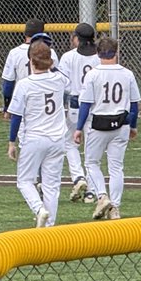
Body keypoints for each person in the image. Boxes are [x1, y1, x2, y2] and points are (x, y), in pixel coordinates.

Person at [74, 36, 141, 221]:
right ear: (116, 52)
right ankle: (115, 207)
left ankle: (102, 196)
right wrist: (133, 125)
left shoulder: (93, 74)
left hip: (98, 123)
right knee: (116, 167)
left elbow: (85, 105)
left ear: (98, 53)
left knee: (91, 163)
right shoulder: (127, 74)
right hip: (121, 124)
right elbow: (134, 105)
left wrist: (78, 128)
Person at [6, 41, 68, 228]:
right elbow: (65, 81)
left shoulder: (25, 84)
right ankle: (49, 226)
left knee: (24, 181)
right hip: (57, 139)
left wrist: (11, 141)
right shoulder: (59, 79)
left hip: (35, 138)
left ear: (31, 61)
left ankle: (39, 209)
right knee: (52, 186)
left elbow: (16, 116)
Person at [58, 23, 100, 203]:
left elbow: (64, 85)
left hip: (76, 103)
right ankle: (91, 192)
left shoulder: (68, 57)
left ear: (77, 38)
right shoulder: (100, 57)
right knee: (91, 150)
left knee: (69, 143)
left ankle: (78, 176)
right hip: (96, 105)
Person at [2, 20, 50, 113]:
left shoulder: (14, 53)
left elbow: (8, 84)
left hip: (22, 99)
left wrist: (7, 106)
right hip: (44, 101)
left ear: (25, 34)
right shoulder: (49, 51)